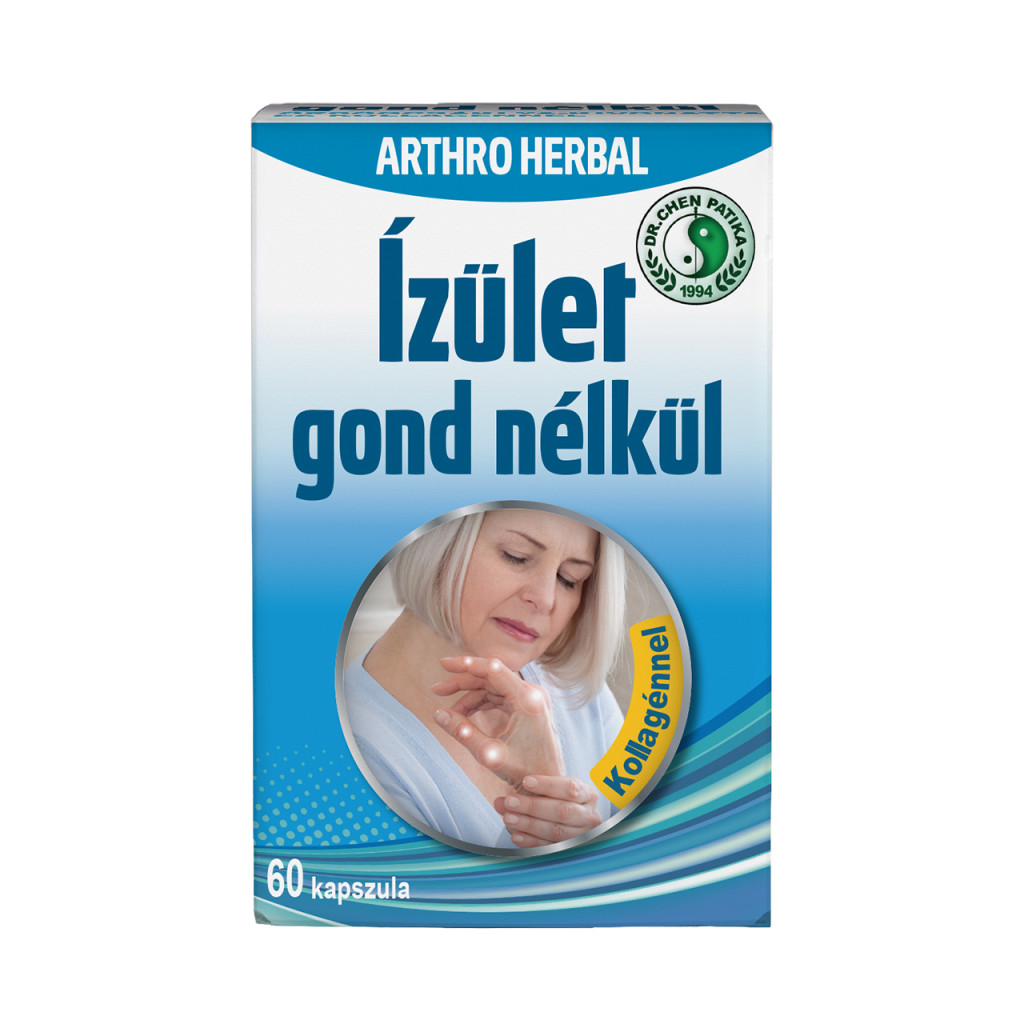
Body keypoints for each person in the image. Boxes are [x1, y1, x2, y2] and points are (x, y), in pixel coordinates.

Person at [341, 507, 626, 850]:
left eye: (569, 579)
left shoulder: (580, 694)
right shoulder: (356, 754)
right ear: (438, 541)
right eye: (516, 556)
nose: (545, 599)